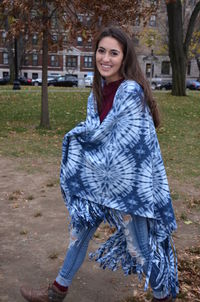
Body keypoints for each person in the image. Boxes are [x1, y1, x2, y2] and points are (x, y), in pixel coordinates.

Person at [20, 26, 179, 302]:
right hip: (97, 186)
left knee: (139, 247)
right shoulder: (95, 94)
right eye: (101, 51)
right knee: (78, 234)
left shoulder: (130, 92)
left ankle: (163, 295)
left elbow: (133, 148)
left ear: (124, 58)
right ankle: (56, 292)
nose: (105, 58)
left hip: (130, 189)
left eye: (113, 53)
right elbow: (97, 138)